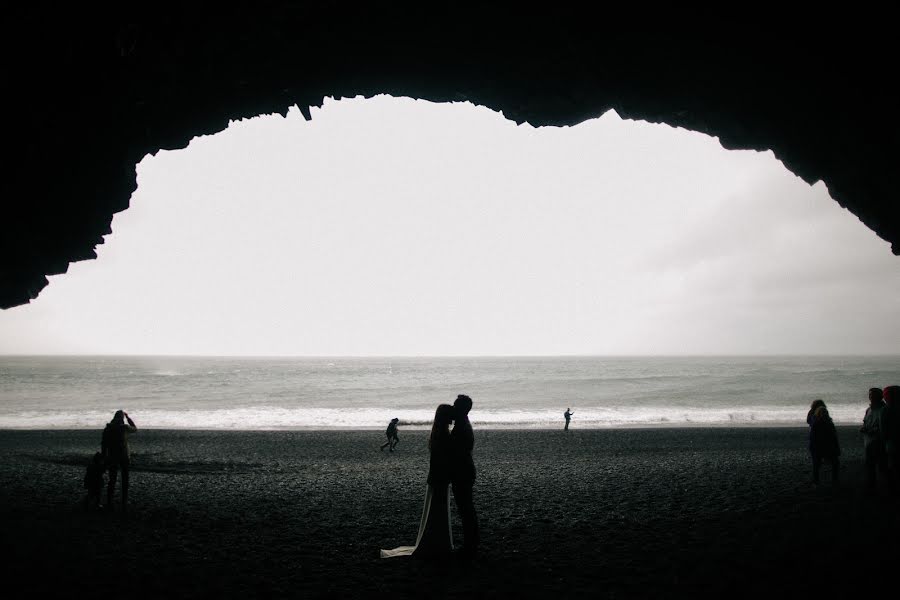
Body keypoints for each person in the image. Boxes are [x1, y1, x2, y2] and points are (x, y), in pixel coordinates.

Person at [380, 405, 454, 559]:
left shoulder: (437, 433)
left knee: (434, 511)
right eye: (450, 415)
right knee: (438, 511)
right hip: (439, 478)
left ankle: (437, 542)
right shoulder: (443, 435)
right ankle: (439, 544)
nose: (452, 417)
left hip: (435, 477)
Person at [450, 394, 479, 559]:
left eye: (455, 406)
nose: (453, 409)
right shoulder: (463, 423)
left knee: (466, 508)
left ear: (461, 409)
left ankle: (470, 545)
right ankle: (471, 543)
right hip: (465, 469)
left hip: (463, 471)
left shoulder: (461, 426)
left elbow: (458, 451)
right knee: (466, 508)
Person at [101, 410, 137, 513]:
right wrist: (128, 418)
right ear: (122, 418)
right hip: (124, 457)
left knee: (112, 479)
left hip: (112, 456)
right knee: (125, 479)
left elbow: (104, 444)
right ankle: (124, 501)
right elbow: (135, 429)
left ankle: (109, 501)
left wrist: (104, 457)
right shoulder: (124, 428)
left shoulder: (108, 429)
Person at [860, 387, 887, 492]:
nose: (870, 397)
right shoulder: (869, 409)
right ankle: (872, 487)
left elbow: (884, 427)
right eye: (869, 395)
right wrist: (864, 427)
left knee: (882, 467)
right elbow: (865, 422)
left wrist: (871, 430)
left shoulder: (883, 410)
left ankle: (886, 488)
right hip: (868, 443)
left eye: (872, 395)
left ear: (879, 396)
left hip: (880, 443)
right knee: (869, 467)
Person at [809, 405, 840, 487]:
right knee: (817, 464)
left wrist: (836, 448)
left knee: (834, 463)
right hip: (819, 447)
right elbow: (813, 437)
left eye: (825, 413)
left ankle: (834, 480)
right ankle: (816, 481)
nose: (824, 414)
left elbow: (834, 436)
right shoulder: (817, 423)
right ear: (818, 414)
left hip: (828, 446)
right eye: (822, 413)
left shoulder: (829, 423)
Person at [880, 385, 900, 493]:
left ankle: (893, 489)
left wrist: (883, 441)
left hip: (892, 442)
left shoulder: (886, 410)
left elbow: (884, 430)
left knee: (893, 465)